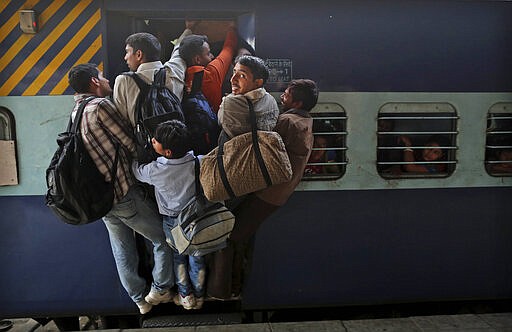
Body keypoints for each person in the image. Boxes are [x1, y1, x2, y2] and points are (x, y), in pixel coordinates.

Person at [67, 63, 174, 315]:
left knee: (122, 248)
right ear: (94, 82)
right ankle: (161, 287)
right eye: (103, 77)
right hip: (123, 193)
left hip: (101, 198)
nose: (106, 81)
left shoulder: (76, 111)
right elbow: (129, 142)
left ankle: (139, 299)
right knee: (164, 239)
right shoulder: (101, 106)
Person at [207, 79, 318, 299]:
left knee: (229, 237)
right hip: (276, 193)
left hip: (266, 194)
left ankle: (221, 292)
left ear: (297, 101)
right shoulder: (305, 121)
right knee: (239, 236)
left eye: (286, 94)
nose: (282, 97)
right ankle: (234, 287)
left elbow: (262, 147)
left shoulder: (287, 121)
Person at [131, 120, 206, 310]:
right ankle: (199, 295)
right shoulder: (199, 162)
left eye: (156, 141)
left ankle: (185, 295)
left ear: (167, 152)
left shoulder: (155, 170)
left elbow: (136, 172)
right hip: (197, 218)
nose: (152, 141)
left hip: (173, 222)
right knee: (197, 256)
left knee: (178, 258)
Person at [113, 25, 191, 128]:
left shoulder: (124, 81)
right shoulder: (173, 71)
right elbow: (179, 52)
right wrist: (189, 29)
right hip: (174, 140)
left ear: (139, 54)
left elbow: (122, 121)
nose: (125, 57)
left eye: (127, 52)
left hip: (143, 142)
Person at [179, 21, 238, 113]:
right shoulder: (211, 74)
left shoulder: (179, 73)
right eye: (208, 53)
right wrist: (231, 28)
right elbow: (228, 49)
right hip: (212, 124)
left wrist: (188, 29)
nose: (212, 56)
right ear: (197, 59)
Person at [217, 55, 279, 139]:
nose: (232, 79)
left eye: (242, 75)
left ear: (258, 82)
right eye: (234, 72)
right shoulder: (271, 100)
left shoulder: (230, 103)